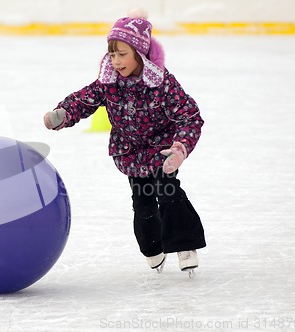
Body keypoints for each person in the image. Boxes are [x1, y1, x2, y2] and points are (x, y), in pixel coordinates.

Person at [43, 9, 206, 277]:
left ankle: (185, 246)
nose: (116, 61)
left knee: (167, 191)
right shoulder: (108, 82)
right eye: (112, 54)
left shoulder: (162, 83)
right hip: (129, 152)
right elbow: (84, 100)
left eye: (122, 54)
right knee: (142, 202)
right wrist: (62, 115)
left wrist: (179, 149)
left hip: (162, 149)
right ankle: (153, 248)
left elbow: (190, 116)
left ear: (139, 55)